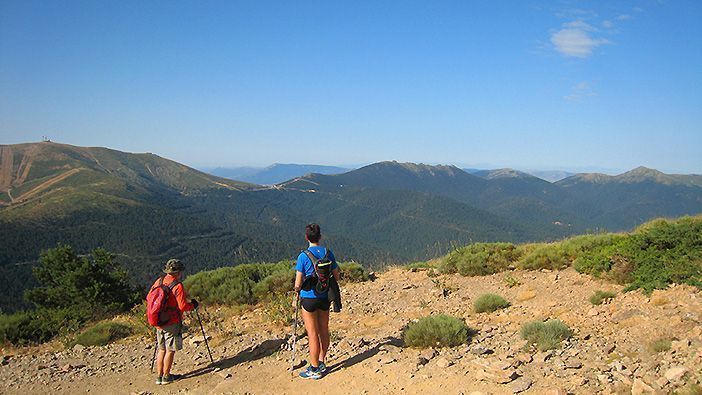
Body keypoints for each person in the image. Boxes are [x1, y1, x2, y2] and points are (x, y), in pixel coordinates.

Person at [294, 223, 341, 380]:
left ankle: (314, 369)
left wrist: (296, 290)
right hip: (324, 298)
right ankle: (321, 361)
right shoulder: (328, 253)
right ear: (320, 237)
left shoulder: (303, 256)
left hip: (308, 299)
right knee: (323, 330)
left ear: (306, 237)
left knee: (312, 333)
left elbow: (298, 283)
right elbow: (337, 276)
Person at [151, 259, 198, 385]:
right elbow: (182, 306)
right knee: (170, 349)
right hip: (172, 321)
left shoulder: (158, 281)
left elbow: (149, 298)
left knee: (161, 349)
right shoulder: (177, 285)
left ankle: (159, 376)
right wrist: (193, 305)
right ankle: (167, 376)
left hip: (158, 320)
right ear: (178, 272)